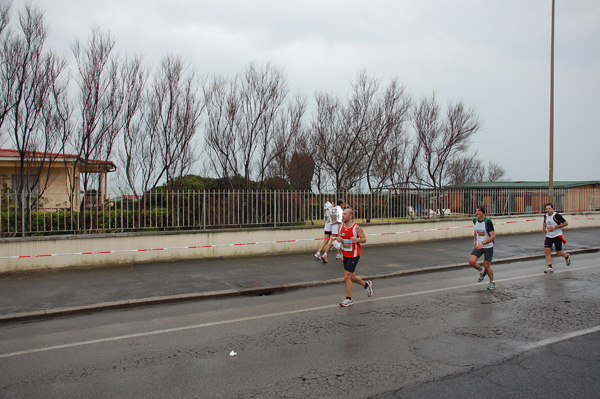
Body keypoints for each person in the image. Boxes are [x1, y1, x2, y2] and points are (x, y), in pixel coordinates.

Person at [335, 207, 373, 306]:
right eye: (342, 214)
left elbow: (364, 239)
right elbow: (340, 237)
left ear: (351, 216)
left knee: (346, 276)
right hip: (346, 254)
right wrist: (339, 239)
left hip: (354, 254)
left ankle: (349, 299)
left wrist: (358, 240)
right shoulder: (341, 226)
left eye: (345, 214)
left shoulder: (356, 228)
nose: (343, 216)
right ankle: (366, 285)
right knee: (352, 277)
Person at [468, 205, 496, 290]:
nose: (477, 212)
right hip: (479, 245)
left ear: (483, 212)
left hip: (488, 247)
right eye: (476, 210)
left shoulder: (488, 222)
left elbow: (493, 236)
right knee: (471, 261)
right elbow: (476, 230)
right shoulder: (475, 221)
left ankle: (492, 282)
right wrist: (475, 240)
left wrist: (483, 243)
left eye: (479, 211)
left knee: (487, 266)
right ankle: (481, 271)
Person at [542, 203, 570, 273]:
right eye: (547, 209)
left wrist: (555, 227)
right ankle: (549, 266)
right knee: (547, 250)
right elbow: (545, 222)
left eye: (549, 208)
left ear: (552, 209)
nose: (548, 210)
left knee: (558, 252)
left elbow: (566, 223)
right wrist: (543, 227)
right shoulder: (545, 216)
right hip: (549, 236)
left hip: (557, 235)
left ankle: (566, 256)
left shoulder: (556, 216)